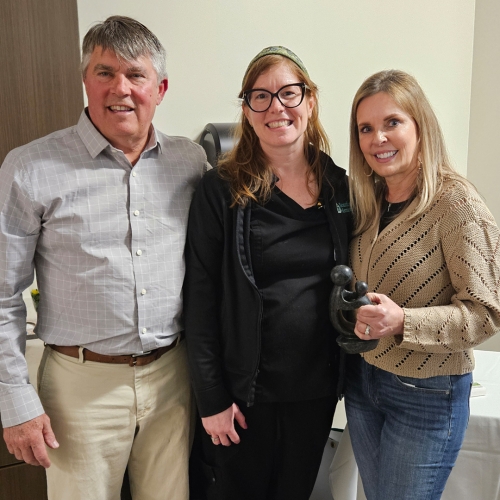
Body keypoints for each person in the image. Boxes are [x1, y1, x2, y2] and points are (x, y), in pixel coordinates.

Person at [0, 16, 207, 500]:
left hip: (172, 378)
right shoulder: (30, 168)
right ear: (85, 79)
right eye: (104, 72)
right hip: (80, 387)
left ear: (160, 88)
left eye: (136, 75)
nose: (121, 88)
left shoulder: (191, 163)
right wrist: (14, 403)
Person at [183, 46, 352, 500]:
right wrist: (212, 398)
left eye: (289, 93)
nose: (277, 107)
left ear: (310, 101)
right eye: (261, 97)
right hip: (242, 398)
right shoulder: (221, 191)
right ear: (247, 111)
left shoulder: (339, 186)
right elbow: (200, 303)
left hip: (315, 394)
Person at [345, 69, 500, 499]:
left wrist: (402, 321)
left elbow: (486, 313)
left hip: (427, 395)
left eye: (392, 122)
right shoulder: (369, 201)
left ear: (420, 126)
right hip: (364, 383)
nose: (378, 138)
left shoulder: (457, 204)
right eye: (366, 128)